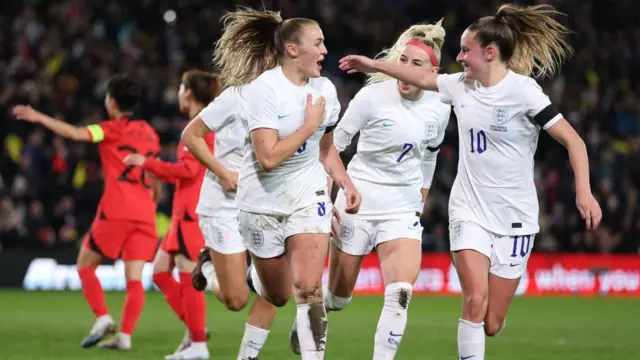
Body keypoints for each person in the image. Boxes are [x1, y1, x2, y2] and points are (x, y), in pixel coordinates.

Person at [338, 4, 603, 360]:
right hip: (468, 211)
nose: (459, 57)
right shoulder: (458, 86)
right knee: (474, 300)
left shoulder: (525, 93)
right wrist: (373, 65)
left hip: (515, 217)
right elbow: (418, 78)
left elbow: (574, 141)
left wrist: (584, 191)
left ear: (489, 53)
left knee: (492, 322)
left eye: (466, 50)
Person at [190, 7, 361, 360]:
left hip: (307, 194)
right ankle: (223, 268)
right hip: (260, 201)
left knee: (309, 288)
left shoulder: (326, 90)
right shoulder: (259, 90)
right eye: (319, 43)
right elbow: (267, 157)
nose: (326, 50)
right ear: (293, 50)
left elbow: (326, 151)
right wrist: (308, 126)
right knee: (277, 294)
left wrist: (345, 183)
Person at [289, 21, 451, 359]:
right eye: (402, 61)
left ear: (432, 71)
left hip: (402, 209)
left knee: (400, 294)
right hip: (357, 204)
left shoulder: (441, 105)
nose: (405, 70)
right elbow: (331, 147)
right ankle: (309, 313)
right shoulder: (373, 96)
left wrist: (418, 204)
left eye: (416, 64)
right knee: (338, 299)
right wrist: (327, 194)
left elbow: (429, 159)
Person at [13, 75, 161, 351]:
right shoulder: (149, 132)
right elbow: (155, 174)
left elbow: (75, 133)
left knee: (84, 264)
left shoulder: (110, 128)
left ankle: (103, 318)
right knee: (134, 278)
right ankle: (125, 337)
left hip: (117, 210)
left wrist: (38, 117)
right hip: (145, 212)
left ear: (112, 103)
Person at [123, 70, 218, 360]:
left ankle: (198, 344)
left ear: (188, 93)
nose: (177, 92)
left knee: (189, 276)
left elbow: (189, 171)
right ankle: (194, 332)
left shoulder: (201, 126)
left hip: (191, 212)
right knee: (160, 273)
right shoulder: (200, 124)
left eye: (180, 87)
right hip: (183, 211)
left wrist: (148, 163)